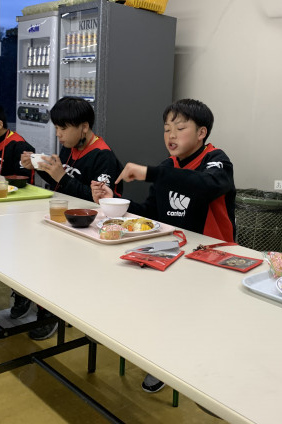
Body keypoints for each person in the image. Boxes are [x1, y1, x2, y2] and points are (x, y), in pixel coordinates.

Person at [91, 98, 236, 392]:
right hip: (171, 250)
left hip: (210, 256)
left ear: (201, 133)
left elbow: (207, 185)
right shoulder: (168, 166)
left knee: (191, 311)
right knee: (132, 285)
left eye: (180, 128)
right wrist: (114, 201)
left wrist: (150, 172)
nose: (171, 135)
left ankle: (186, 364)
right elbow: (151, 213)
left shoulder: (217, 160)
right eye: (167, 129)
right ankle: (159, 355)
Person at [18, 96, 123, 340]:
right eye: (56, 128)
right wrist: (40, 169)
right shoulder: (70, 148)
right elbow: (63, 186)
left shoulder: (103, 156)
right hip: (65, 222)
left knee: (50, 261)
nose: (58, 135)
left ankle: (50, 312)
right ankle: (33, 298)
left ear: (84, 127)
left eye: (63, 128)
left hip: (89, 230)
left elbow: (99, 203)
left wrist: (61, 177)